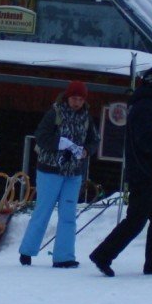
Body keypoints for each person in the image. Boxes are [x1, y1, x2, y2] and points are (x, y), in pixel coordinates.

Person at [88, 69, 152, 277]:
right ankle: (103, 255)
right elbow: (146, 141)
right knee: (136, 220)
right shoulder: (145, 107)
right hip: (144, 172)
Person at [18, 79, 97, 268]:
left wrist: (86, 150)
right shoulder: (54, 113)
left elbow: (94, 140)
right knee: (43, 211)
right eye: (74, 98)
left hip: (74, 173)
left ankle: (64, 257)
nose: (76, 102)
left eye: (80, 99)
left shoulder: (87, 117)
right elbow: (41, 136)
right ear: (67, 97)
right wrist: (60, 143)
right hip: (49, 170)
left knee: (68, 215)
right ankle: (27, 251)